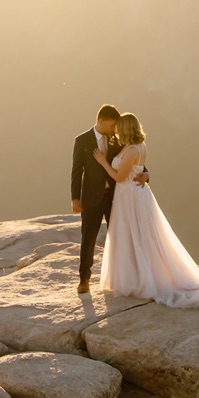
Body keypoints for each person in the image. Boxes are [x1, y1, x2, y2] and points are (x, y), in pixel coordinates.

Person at [92, 112, 199, 309]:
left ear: (126, 129)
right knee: (140, 236)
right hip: (135, 195)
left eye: (119, 129)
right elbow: (139, 169)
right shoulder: (138, 146)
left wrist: (103, 162)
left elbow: (119, 176)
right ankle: (140, 275)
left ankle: (140, 279)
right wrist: (145, 174)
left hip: (130, 197)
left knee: (135, 235)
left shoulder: (132, 150)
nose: (116, 132)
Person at [69, 104, 145, 295]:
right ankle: (84, 279)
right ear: (100, 121)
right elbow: (77, 171)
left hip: (116, 198)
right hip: (91, 198)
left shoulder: (118, 140)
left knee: (120, 237)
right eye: (112, 126)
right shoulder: (82, 140)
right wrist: (75, 199)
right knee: (88, 238)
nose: (115, 130)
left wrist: (147, 174)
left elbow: (135, 160)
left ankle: (125, 277)